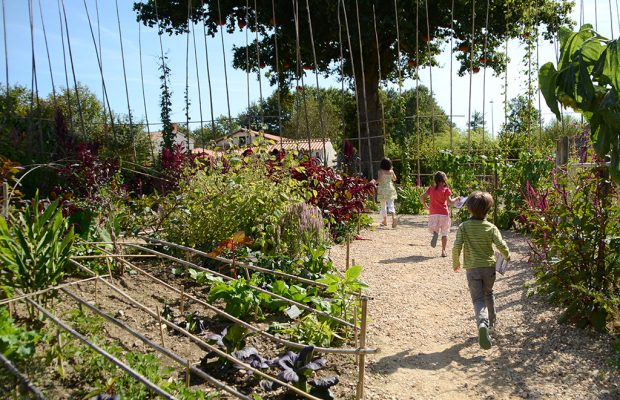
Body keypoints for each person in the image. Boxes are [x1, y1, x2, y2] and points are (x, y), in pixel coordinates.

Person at [452, 191, 510, 350]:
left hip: (472, 269)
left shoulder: (464, 227)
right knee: (489, 293)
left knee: (478, 299)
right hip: (489, 267)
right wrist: (507, 256)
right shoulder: (491, 227)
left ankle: (482, 324)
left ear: (469, 208)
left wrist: (456, 262)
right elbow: (501, 245)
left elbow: (457, 246)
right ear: (488, 209)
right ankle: (491, 324)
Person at [420, 171, 458, 257]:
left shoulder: (431, 188)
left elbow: (422, 197)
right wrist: (457, 199)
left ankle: (435, 234)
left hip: (433, 214)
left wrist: (426, 206)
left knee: (434, 228)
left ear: (435, 179)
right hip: (444, 214)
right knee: (444, 233)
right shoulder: (446, 190)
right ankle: (443, 251)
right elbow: (450, 202)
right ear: (444, 180)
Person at [376, 158, 398, 228]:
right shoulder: (391, 171)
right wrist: (392, 170)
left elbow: (380, 180)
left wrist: (374, 182)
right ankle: (394, 217)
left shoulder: (381, 171)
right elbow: (394, 179)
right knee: (391, 204)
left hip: (382, 190)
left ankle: (385, 221)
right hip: (390, 189)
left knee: (383, 205)